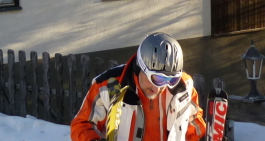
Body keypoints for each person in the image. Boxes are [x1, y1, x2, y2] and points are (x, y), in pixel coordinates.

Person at [70, 32, 206, 141]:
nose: (158, 89)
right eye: (156, 78)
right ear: (139, 67)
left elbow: (194, 121)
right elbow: (81, 126)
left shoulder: (184, 87)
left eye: (170, 79)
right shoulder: (106, 86)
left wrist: (204, 135)